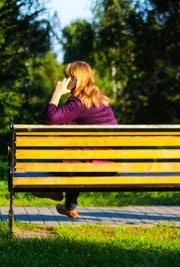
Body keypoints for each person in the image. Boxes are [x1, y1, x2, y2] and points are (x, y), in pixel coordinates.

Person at [33, 61, 118, 218]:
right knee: (74, 153)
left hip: (94, 164)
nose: (64, 81)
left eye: (67, 77)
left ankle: (53, 189)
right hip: (111, 163)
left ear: (75, 80)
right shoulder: (101, 100)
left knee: (61, 159)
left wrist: (57, 93)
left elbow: (49, 120)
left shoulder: (78, 103)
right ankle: (69, 206)